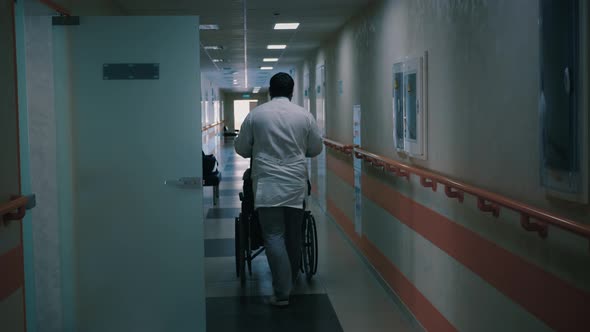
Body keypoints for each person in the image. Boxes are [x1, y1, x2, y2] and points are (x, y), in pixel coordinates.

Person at [234, 72, 323, 307]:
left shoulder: (256, 115)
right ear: (292, 91)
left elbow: (242, 148)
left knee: (273, 234)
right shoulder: (304, 116)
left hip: (267, 183)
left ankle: (282, 291)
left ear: (270, 91)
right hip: (295, 182)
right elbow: (315, 148)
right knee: (294, 234)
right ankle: (290, 280)